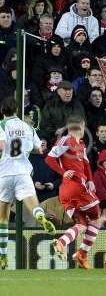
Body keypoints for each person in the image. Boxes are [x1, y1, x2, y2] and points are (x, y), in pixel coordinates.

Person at [0, 97, 56, 270]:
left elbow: (2, 147)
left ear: (3, 111)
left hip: (5, 172)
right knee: (33, 205)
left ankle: (3, 257)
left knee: (3, 218)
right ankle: (40, 216)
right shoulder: (28, 127)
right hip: (24, 172)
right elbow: (40, 149)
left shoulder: (1, 125)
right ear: (17, 110)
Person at [45, 115, 102, 269]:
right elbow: (49, 159)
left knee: (82, 224)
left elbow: (86, 163)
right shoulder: (66, 140)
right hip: (76, 187)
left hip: (70, 191)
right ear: (81, 127)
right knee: (97, 219)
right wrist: (62, 172)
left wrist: (90, 179)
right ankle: (82, 254)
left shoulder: (81, 144)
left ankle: (62, 242)